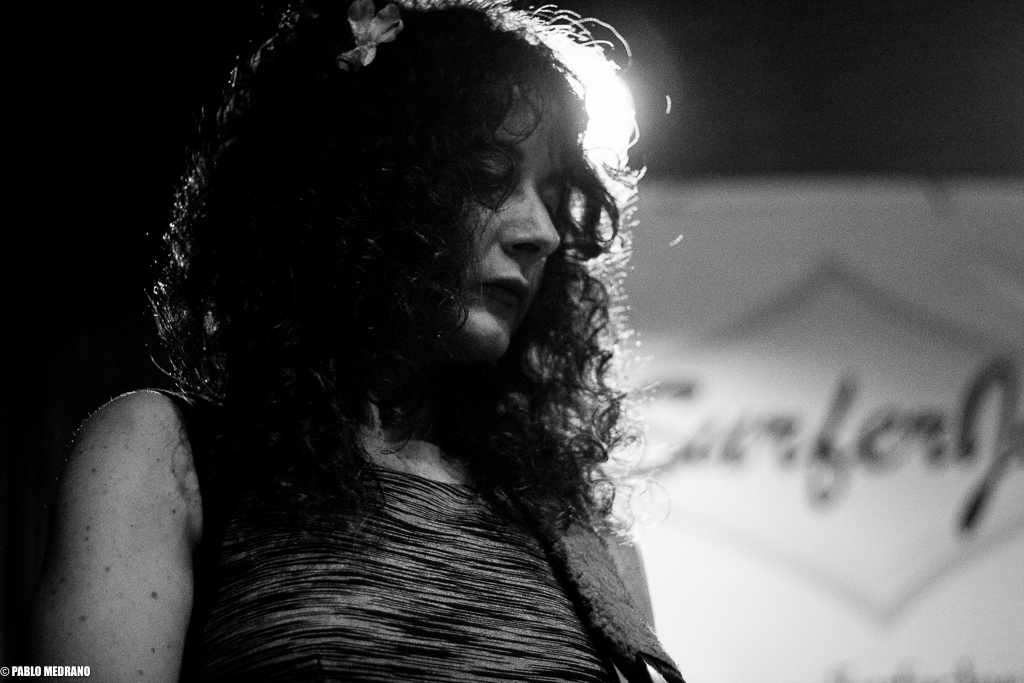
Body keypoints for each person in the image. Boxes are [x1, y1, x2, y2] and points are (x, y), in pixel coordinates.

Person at [30, 1, 684, 681]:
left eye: (552, 195)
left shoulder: (586, 540)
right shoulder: (160, 456)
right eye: (488, 177)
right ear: (363, 188)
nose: (542, 232)